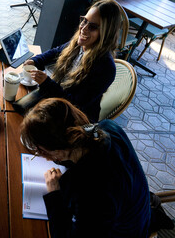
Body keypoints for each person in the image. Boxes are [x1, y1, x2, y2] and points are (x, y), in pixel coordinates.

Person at [20, 98, 151, 237]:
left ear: (57, 150)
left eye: (40, 150)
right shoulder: (107, 127)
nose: (41, 155)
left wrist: (54, 194)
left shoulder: (88, 189)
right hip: (137, 211)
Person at [23, 0, 122, 122]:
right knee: (17, 104)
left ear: (106, 34)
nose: (83, 28)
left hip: (74, 119)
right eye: (84, 21)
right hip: (56, 100)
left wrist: (47, 83)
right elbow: (55, 51)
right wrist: (35, 61)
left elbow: (75, 104)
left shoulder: (105, 68)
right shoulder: (79, 44)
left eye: (92, 27)